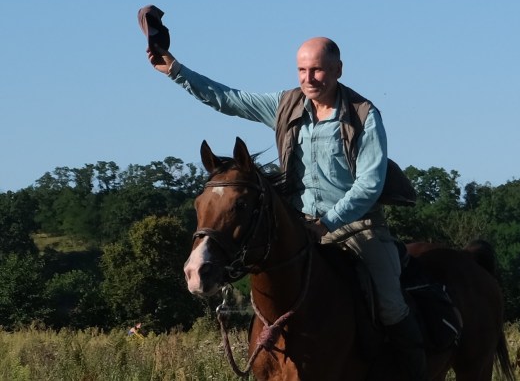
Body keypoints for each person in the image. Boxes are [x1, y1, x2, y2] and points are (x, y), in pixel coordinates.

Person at [147, 36, 426, 380]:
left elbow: (369, 184)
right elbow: (228, 98)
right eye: (302, 70)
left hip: (358, 228)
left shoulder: (364, 115)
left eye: (318, 70)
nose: (309, 78)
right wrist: (175, 70)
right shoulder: (285, 105)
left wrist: (327, 222)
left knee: (390, 304)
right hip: (297, 227)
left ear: (338, 70)